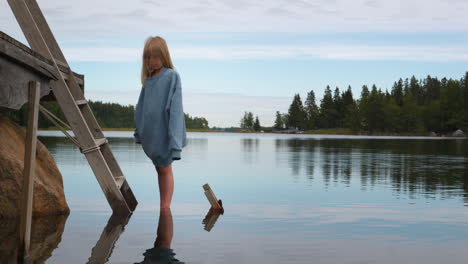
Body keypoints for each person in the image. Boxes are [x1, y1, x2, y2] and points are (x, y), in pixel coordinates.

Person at [134, 36, 188, 209]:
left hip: (165, 131)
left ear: (164, 56)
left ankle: (165, 207)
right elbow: (141, 107)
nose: (152, 61)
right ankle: (163, 206)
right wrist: (138, 132)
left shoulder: (172, 77)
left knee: (165, 169)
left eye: (156, 56)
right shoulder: (148, 80)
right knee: (159, 169)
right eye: (148, 57)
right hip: (151, 133)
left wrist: (175, 140)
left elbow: (176, 109)